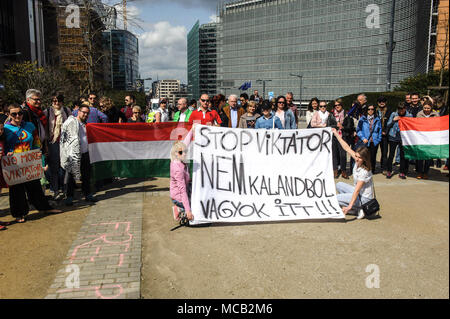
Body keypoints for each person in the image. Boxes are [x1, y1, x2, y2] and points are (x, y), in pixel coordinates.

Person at [4, 103, 61, 223]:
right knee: (16, 190)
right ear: (8, 115)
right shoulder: (5, 129)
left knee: (35, 187)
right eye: (14, 114)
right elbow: (2, 145)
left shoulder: (29, 126)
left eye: (20, 113)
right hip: (13, 164)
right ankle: (19, 213)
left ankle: (44, 208)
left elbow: (36, 142)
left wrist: (39, 157)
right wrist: (6, 154)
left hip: (29, 162)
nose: (18, 116)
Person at [332, 127, 375, 220]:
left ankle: (358, 208)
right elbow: (346, 147)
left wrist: (349, 206)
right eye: (356, 156)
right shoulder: (357, 160)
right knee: (339, 185)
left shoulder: (365, 171)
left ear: (364, 158)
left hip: (364, 198)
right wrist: (335, 133)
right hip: (358, 193)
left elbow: (357, 191)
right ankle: (354, 206)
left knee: (335, 198)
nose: (356, 158)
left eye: (359, 157)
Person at [60, 104, 98, 205]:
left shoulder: (87, 124)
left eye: (87, 113)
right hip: (73, 155)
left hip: (85, 153)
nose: (85, 114)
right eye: (83, 112)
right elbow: (64, 138)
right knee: (71, 177)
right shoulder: (70, 122)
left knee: (86, 176)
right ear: (78, 111)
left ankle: (87, 194)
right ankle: (69, 197)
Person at [44, 94, 71, 199]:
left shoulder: (67, 111)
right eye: (54, 101)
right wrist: (45, 145)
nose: (56, 103)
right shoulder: (47, 112)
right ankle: (55, 190)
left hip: (65, 143)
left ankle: (65, 189)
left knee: (65, 167)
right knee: (54, 168)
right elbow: (44, 130)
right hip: (52, 143)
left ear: (62, 101)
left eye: (59, 100)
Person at [170, 128, 194, 222]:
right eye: (181, 152)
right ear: (176, 153)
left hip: (187, 188)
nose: (184, 154)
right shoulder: (178, 169)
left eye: (185, 151)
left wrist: (192, 129)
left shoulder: (181, 158)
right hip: (179, 196)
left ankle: (183, 208)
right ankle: (180, 209)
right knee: (194, 210)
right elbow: (182, 190)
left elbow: (186, 142)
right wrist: (188, 211)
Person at [385, 102, 412, 179]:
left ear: (405, 109)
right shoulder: (394, 114)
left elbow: (412, 125)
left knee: (402, 155)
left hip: (403, 137)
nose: (401, 111)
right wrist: (393, 120)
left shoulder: (409, 115)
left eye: (402, 110)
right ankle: (389, 171)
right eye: (399, 110)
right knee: (391, 154)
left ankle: (402, 172)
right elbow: (388, 124)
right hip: (393, 136)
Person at [416, 100, 439, 179]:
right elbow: (416, 125)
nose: (426, 109)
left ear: (431, 108)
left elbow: (438, 125)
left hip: (430, 139)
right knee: (420, 157)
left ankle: (425, 172)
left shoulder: (435, 114)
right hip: (421, 138)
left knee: (428, 157)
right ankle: (419, 172)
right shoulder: (419, 114)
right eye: (425, 108)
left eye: (428, 108)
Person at [356, 104, 382, 174]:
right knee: (365, 156)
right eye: (369, 109)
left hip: (374, 141)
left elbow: (380, 130)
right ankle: (365, 169)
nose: (370, 111)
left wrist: (378, 139)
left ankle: (372, 170)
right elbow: (358, 130)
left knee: (373, 156)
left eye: (372, 109)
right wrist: (363, 138)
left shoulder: (377, 119)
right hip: (365, 140)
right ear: (366, 110)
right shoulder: (363, 118)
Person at [332, 99, 348, 178]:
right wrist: (335, 126)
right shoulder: (331, 115)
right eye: (335, 105)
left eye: (339, 105)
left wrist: (343, 127)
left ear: (342, 105)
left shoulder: (346, 114)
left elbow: (350, 126)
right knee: (334, 154)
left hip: (343, 136)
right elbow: (329, 124)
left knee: (343, 154)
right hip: (334, 136)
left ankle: (343, 171)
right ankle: (335, 170)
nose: (337, 106)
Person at [376, 96, 392, 175]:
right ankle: (372, 167)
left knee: (384, 152)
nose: (381, 103)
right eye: (380, 101)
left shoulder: (389, 111)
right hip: (376, 134)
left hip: (385, 135)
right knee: (373, 152)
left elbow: (390, 122)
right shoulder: (375, 111)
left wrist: (385, 131)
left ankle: (384, 167)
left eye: (383, 101)